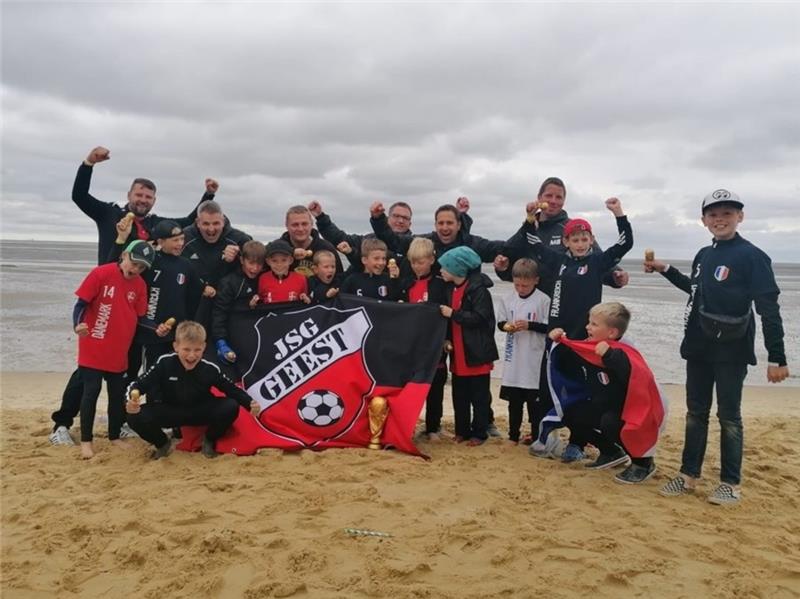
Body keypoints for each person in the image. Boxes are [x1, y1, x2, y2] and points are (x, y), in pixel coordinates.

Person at [50, 147, 216, 444]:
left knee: (125, 369)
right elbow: (78, 196)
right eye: (139, 195)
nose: (143, 200)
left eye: (148, 197)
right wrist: (88, 164)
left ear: (154, 201)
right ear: (130, 194)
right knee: (88, 368)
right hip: (104, 299)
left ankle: (123, 420)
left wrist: (208, 196)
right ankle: (61, 423)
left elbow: (187, 221)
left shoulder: (156, 225)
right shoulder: (109, 213)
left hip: (135, 305)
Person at [647, 189, 789, 505]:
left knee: (729, 417)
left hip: (732, 351)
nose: (720, 219)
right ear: (703, 220)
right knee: (696, 413)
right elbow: (696, 290)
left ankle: (730, 484)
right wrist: (665, 270)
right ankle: (688, 476)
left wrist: (777, 357)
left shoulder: (753, 256)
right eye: (713, 214)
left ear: (740, 216)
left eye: (727, 213)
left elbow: (768, 308)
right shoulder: (704, 254)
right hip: (699, 347)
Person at [51, 240, 152, 458]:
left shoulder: (140, 285)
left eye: (141, 267)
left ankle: (114, 436)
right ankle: (87, 442)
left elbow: (141, 318)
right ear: (124, 256)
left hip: (119, 350)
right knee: (91, 393)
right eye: (133, 263)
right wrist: (78, 325)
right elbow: (81, 305)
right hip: (93, 346)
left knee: (117, 396)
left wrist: (159, 330)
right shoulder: (101, 274)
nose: (135, 269)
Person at [548, 302, 663, 484]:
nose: (587, 327)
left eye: (594, 324)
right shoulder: (589, 347)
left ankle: (643, 463)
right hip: (603, 404)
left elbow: (635, 374)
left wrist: (610, 356)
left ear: (612, 333)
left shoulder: (623, 350)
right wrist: (559, 341)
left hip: (631, 412)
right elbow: (566, 361)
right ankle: (611, 452)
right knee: (571, 412)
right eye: (589, 322)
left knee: (609, 422)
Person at [125, 321, 258, 459]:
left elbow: (231, 389)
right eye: (186, 349)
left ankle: (209, 439)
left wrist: (250, 403)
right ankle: (162, 443)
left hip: (199, 411)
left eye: (197, 350)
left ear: (204, 347)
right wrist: (130, 401)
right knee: (133, 416)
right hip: (170, 410)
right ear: (176, 346)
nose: (192, 356)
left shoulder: (210, 368)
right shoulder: (164, 362)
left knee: (230, 406)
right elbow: (138, 384)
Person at [495, 177, 629, 294]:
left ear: (564, 201)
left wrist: (615, 277)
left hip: (565, 305)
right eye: (549, 196)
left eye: (558, 197)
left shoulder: (573, 229)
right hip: (532, 308)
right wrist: (502, 268)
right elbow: (510, 262)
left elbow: (596, 260)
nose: (553, 201)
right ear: (539, 197)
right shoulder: (527, 230)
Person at [107, 219, 203, 372]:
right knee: (150, 373)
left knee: (172, 375)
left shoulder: (187, 266)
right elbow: (116, 271)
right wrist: (120, 240)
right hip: (149, 332)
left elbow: (195, 298)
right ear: (161, 241)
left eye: (182, 239)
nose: (180, 243)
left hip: (175, 334)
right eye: (175, 240)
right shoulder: (149, 262)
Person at [438, 246, 498, 446]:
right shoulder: (449, 288)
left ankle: (479, 433)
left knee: (479, 397)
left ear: (457, 269)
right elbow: (446, 320)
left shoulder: (478, 291)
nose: (441, 271)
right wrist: (446, 338)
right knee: (459, 396)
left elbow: (481, 318)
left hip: (476, 352)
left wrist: (453, 314)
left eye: (445, 267)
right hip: (458, 353)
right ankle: (461, 430)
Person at [495, 258, 550, 444]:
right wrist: (507, 327)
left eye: (525, 286)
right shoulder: (507, 299)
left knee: (534, 404)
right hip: (514, 358)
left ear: (536, 280)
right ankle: (513, 436)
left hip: (534, 357)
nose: (521, 289)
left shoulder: (543, 300)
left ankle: (536, 436)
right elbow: (500, 322)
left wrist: (530, 325)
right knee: (514, 402)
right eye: (517, 285)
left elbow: (550, 327)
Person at [400, 238, 449, 439]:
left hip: (435, 344)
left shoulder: (440, 284)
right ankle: (408, 424)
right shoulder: (405, 283)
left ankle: (433, 427)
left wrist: (447, 340)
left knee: (436, 386)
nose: (416, 266)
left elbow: (447, 315)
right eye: (413, 262)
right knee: (411, 387)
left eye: (420, 262)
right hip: (412, 344)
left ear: (431, 259)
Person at [181, 200, 252, 336]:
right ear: (197, 222)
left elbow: (259, 262)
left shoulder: (240, 239)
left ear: (223, 221)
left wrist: (237, 259)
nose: (211, 229)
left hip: (226, 308)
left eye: (216, 223)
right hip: (192, 308)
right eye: (206, 224)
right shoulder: (184, 237)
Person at [308, 200, 415, 275]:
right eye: (396, 216)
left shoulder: (415, 246)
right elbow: (340, 238)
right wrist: (321, 217)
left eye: (405, 218)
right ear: (387, 219)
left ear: (410, 223)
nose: (400, 221)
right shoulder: (368, 240)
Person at [212, 240, 267, 366]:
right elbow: (219, 312)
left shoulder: (266, 278)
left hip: (259, 336)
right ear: (242, 260)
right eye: (251, 263)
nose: (255, 268)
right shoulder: (229, 282)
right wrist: (221, 341)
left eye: (259, 264)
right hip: (234, 335)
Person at [278, 205, 343, 277]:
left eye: (304, 224)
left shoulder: (326, 248)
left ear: (311, 224)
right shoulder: (276, 250)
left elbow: (339, 279)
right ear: (286, 225)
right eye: (295, 225)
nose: (300, 229)